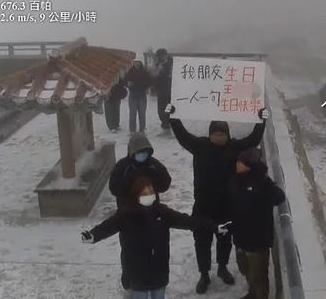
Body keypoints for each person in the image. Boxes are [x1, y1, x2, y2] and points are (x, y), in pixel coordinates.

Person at [164, 103, 269, 294]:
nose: (219, 137)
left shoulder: (235, 147)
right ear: (210, 134)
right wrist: (173, 117)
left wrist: (261, 120)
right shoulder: (200, 146)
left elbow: (253, 140)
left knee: (224, 239)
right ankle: (204, 273)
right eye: (215, 133)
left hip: (226, 206)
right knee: (201, 240)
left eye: (222, 133)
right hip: (203, 205)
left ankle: (222, 267)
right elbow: (182, 136)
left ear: (228, 134)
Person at [81, 175, 229, 299]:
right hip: (136, 272)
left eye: (151, 192)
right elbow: (107, 227)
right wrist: (92, 235)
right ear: (136, 195)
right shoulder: (125, 215)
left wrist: (214, 227)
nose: (148, 195)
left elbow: (188, 221)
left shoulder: (162, 213)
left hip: (159, 271)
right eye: (144, 193)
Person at [227, 147, 286, 299]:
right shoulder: (235, 180)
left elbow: (279, 197)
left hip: (258, 241)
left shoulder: (263, 183)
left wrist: (262, 185)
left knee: (258, 277)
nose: (237, 164)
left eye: (240, 162)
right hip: (240, 237)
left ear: (248, 166)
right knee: (245, 270)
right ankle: (252, 294)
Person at [109, 132, 171, 209]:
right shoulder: (122, 166)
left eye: (145, 151)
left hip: (151, 208)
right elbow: (114, 188)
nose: (143, 154)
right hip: (128, 210)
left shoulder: (153, 164)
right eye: (139, 151)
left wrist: (151, 185)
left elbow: (165, 183)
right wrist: (130, 184)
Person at [125, 60, 152, 134]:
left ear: (141, 63)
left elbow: (150, 81)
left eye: (138, 62)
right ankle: (132, 131)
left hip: (142, 95)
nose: (137, 64)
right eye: (135, 62)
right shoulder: (129, 71)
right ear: (133, 63)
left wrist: (146, 87)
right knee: (132, 114)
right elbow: (124, 80)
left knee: (142, 114)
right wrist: (127, 84)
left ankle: (142, 130)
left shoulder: (144, 72)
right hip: (133, 94)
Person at [154, 49, 173, 133]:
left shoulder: (172, 63)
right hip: (161, 90)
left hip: (171, 90)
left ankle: (170, 125)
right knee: (161, 110)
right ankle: (165, 125)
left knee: (170, 109)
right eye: (160, 55)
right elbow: (155, 76)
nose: (162, 57)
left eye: (163, 55)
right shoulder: (157, 65)